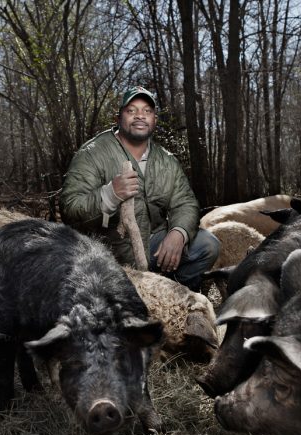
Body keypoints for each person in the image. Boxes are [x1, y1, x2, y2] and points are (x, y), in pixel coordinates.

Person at [60, 86, 220, 292]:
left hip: (153, 244)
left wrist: (178, 234)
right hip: (109, 253)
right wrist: (110, 194)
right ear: (118, 118)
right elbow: (70, 209)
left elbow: (185, 203)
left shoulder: (166, 161)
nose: (140, 116)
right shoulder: (92, 154)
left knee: (207, 245)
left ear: (154, 120)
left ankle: (175, 296)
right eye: (131, 110)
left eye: (147, 111)